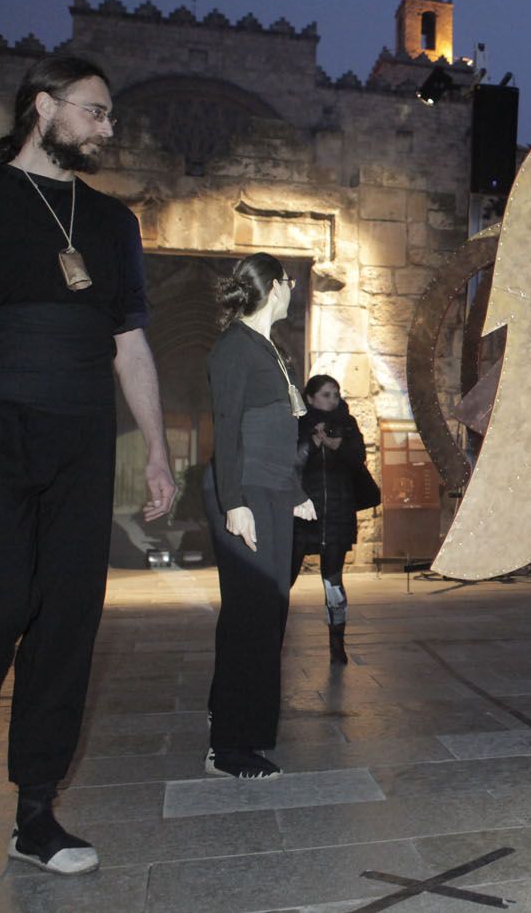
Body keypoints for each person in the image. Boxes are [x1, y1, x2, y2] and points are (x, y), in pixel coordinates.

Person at [0, 55, 176, 874]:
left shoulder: (113, 224)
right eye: (96, 112)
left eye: (110, 116)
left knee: (66, 627)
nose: (107, 128)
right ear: (43, 107)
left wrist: (157, 449)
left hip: (84, 442)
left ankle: (35, 812)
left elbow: (132, 348)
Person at [203, 253, 315, 779]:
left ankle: (232, 721)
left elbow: (278, 430)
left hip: (271, 492)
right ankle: (230, 747)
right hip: (245, 491)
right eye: (288, 281)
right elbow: (226, 429)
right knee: (253, 616)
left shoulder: (271, 348)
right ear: (274, 287)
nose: (292, 289)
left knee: (264, 615)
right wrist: (234, 503)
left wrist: (293, 491)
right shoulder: (235, 348)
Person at [291, 374, 368, 665]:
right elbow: (292, 462)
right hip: (304, 511)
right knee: (285, 576)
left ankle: (337, 644)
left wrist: (337, 445)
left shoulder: (347, 423)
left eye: (335, 394)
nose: (332, 400)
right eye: (326, 394)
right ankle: (271, 636)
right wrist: (312, 442)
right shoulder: (299, 422)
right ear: (310, 398)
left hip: (337, 512)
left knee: (333, 580)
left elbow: (358, 457)